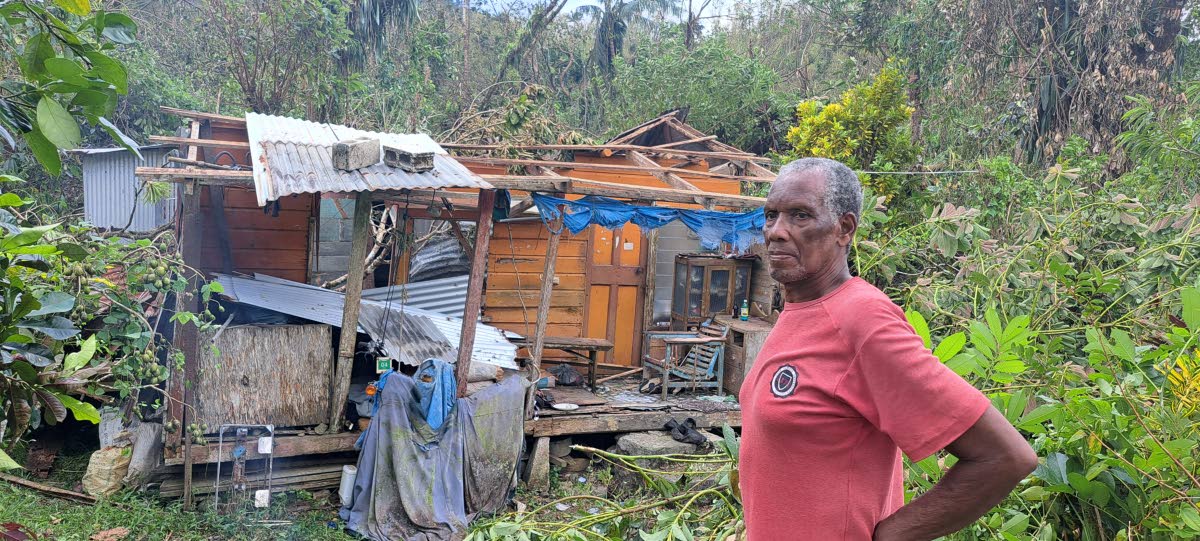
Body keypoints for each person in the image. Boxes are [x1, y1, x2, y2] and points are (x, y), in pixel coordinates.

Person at [738, 158, 1037, 540]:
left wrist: (891, 536)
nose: (777, 232)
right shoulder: (798, 312)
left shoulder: (862, 320)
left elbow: (1004, 457)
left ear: (844, 229)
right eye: (770, 216)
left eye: (800, 216)